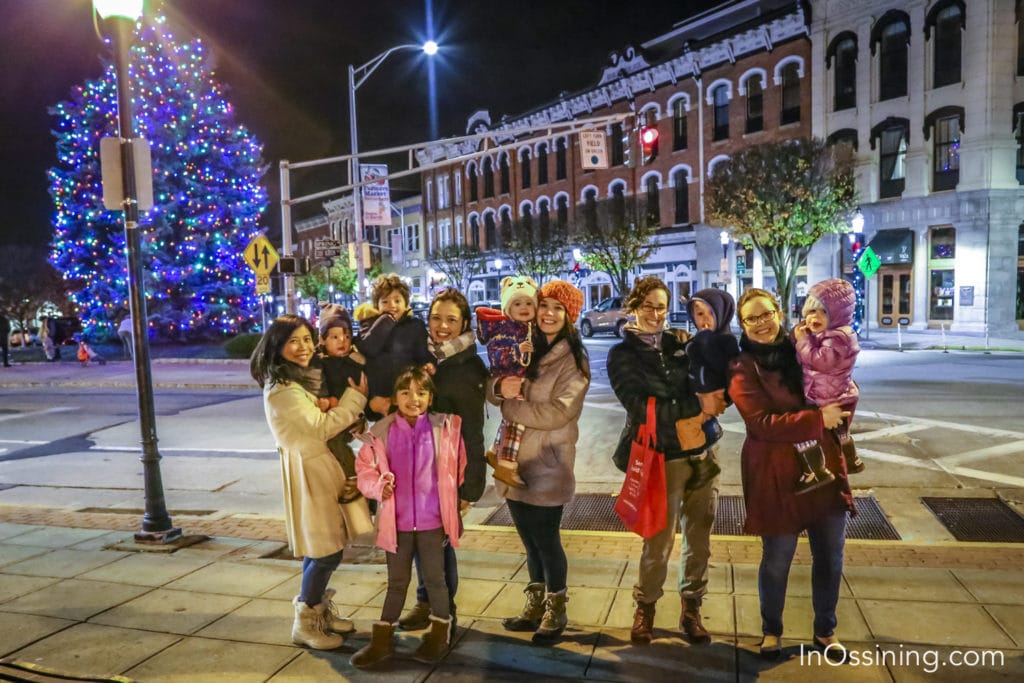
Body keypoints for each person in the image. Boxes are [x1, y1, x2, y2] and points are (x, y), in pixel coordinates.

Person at [728, 288, 854, 662]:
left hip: (823, 468)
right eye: (752, 318)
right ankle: (771, 631)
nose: (762, 323)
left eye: (766, 314)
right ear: (743, 324)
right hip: (776, 474)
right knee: (778, 557)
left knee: (830, 556)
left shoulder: (806, 350)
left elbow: (837, 386)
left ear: (779, 312)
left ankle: (825, 630)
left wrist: (846, 400)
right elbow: (762, 423)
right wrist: (818, 419)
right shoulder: (741, 367)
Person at [607, 276, 722, 647]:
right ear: (634, 308)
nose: (656, 314)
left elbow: (713, 384)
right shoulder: (621, 354)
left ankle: (692, 607)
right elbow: (638, 406)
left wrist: (702, 403)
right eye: (648, 306)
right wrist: (693, 408)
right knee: (658, 538)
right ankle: (647, 607)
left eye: (661, 306)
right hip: (662, 456)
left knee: (699, 537)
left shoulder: (680, 342)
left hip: (704, 449)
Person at [249, 314, 369, 651]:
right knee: (326, 551)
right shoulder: (282, 389)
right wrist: (355, 398)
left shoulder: (304, 378)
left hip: (321, 467)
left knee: (323, 548)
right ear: (278, 346)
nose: (303, 347)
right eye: (293, 341)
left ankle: (318, 612)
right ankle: (305, 621)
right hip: (310, 473)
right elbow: (320, 427)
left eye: (306, 339)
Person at [491, 280, 589, 645]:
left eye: (557, 308)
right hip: (512, 458)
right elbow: (495, 381)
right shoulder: (521, 344)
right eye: (543, 305)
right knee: (528, 541)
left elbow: (559, 411)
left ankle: (556, 608)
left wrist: (509, 404)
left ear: (569, 316)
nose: (548, 313)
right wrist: (499, 390)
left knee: (547, 540)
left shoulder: (574, 359)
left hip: (547, 462)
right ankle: (533, 605)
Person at [350, 366, 467, 668]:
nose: (414, 399)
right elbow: (364, 472)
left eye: (421, 392)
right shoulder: (380, 433)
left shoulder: (446, 429)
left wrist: (451, 503)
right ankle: (382, 641)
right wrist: (378, 487)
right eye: (405, 392)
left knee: (435, 581)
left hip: (432, 523)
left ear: (430, 396)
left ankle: (440, 634)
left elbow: (459, 468)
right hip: (396, 524)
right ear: (395, 397)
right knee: (397, 583)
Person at [398, 287, 488, 632]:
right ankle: (425, 601)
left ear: (464, 323)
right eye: (436, 317)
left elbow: (473, 431)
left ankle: (442, 608)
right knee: (423, 538)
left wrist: (471, 485)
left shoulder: (467, 366)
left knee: (441, 543)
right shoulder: (424, 359)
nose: (443, 326)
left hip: (448, 471)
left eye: (452, 319)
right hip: (416, 468)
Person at [792, 278, 865, 493]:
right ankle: (853, 461)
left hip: (825, 397)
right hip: (835, 393)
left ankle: (817, 471)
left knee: (803, 434)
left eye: (824, 313)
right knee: (840, 433)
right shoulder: (833, 334)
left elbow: (820, 361)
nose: (815, 318)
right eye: (812, 312)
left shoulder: (838, 337)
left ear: (838, 315)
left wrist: (803, 341)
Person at [476, 275, 538, 488]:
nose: (524, 307)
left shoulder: (528, 327)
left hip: (518, 379)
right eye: (517, 303)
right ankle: (506, 465)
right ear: (507, 308)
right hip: (510, 379)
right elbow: (496, 354)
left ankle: (494, 452)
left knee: (509, 421)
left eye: (529, 303)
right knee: (516, 422)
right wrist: (516, 350)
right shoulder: (505, 329)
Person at [354, 274, 435, 420]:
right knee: (385, 439)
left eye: (397, 300)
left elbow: (423, 354)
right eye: (385, 301)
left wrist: (428, 364)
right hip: (380, 396)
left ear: (406, 304)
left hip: (408, 395)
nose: (392, 305)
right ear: (377, 305)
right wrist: (386, 321)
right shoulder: (369, 324)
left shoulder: (415, 325)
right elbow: (368, 348)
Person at [684, 287, 739, 483]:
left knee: (698, 432)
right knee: (691, 431)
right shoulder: (697, 339)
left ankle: (704, 465)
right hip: (696, 395)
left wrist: (704, 340)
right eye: (699, 313)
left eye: (711, 313)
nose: (705, 319)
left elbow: (720, 365)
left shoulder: (726, 341)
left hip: (712, 394)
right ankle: (701, 463)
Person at [316, 303, 367, 479]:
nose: (342, 341)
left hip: (349, 420)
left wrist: (361, 419)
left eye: (346, 336)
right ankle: (351, 477)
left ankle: (354, 479)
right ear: (322, 339)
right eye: (335, 337)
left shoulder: (355, 363)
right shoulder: (319, 364)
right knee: (334, 445)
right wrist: (326, 400)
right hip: (329, 419)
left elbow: (363, 392)